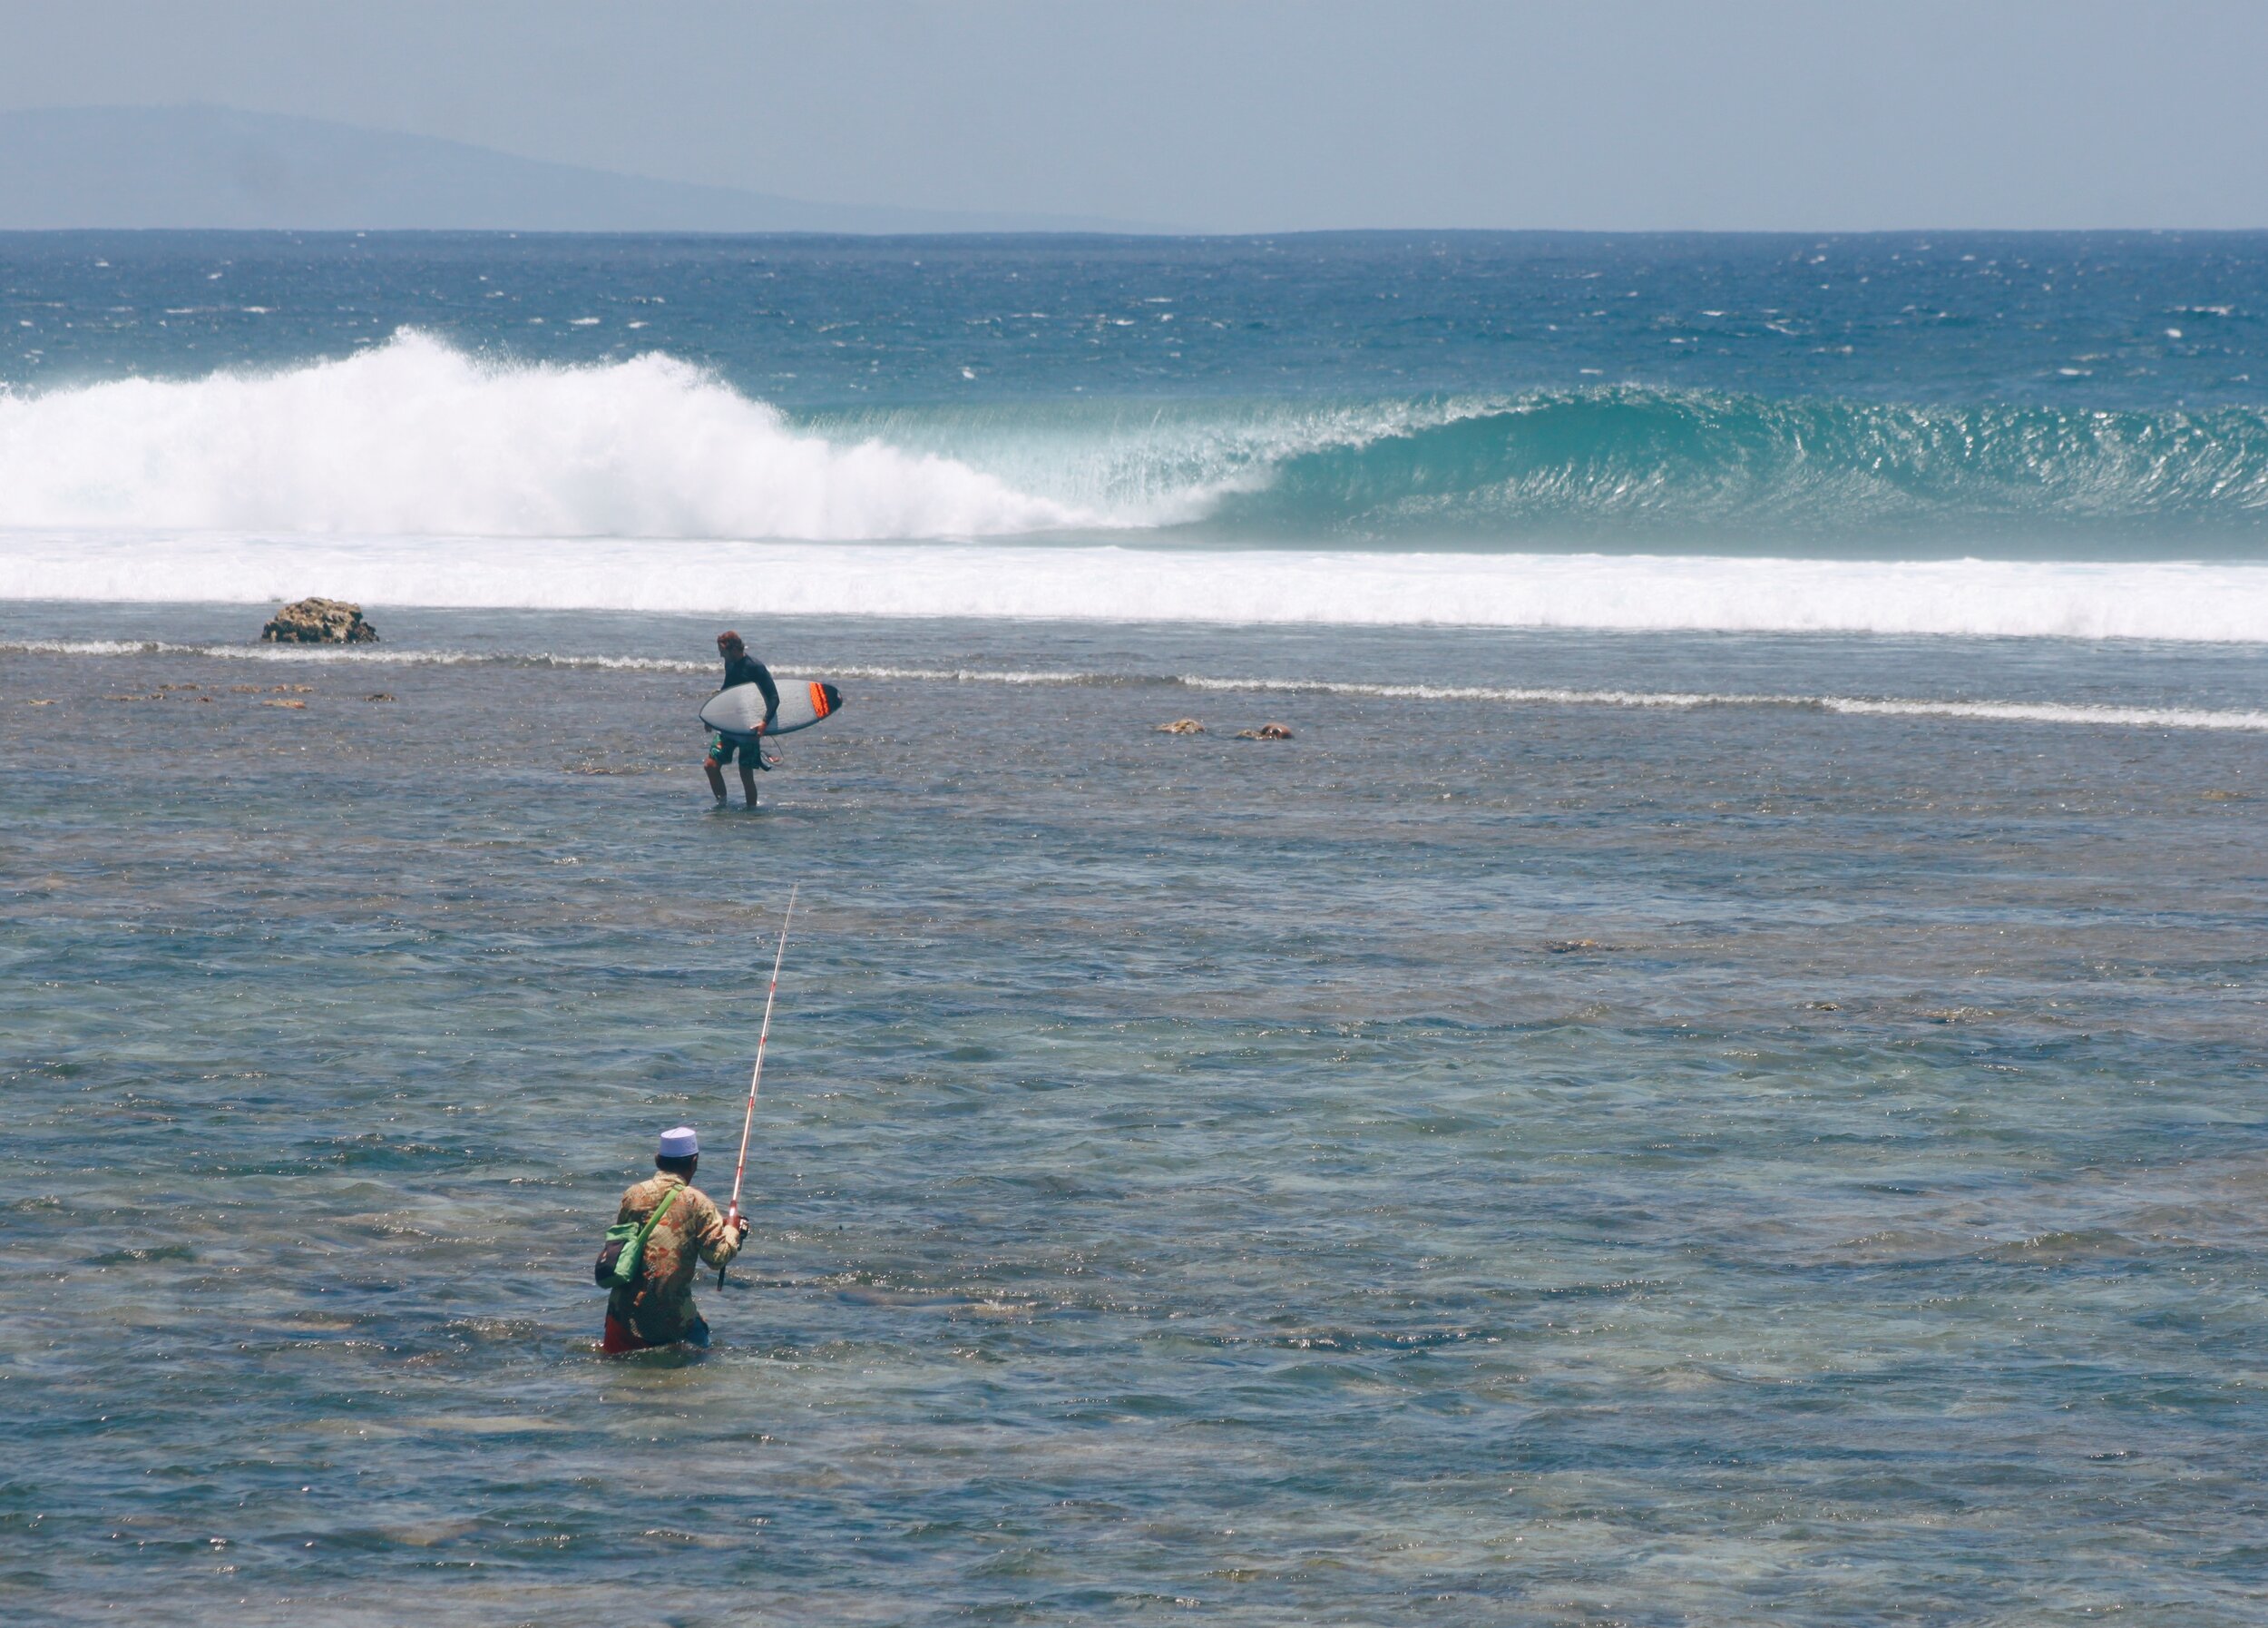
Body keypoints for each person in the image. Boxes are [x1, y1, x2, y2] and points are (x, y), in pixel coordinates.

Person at [600, 1125, 750, 1354]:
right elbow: (717, 1257)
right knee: (703, 1358)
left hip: (622, 1316)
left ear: (658, 1160)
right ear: (694, 1162)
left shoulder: (633, 1195)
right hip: (670, 1321)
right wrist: (733, 1230)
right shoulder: (697, 1202)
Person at [704, 630, 781, 808]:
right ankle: (722, 806)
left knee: (746, 774)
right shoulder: (729, 664)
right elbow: (727, 690)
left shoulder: (755, 667)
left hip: (750, 727)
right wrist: (711, 715)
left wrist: (764, 722)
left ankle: (751, 812)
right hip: (729, 725)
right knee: (710, 766)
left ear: (732, 649)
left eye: (722, 651)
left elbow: (774, 698)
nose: (720, 655)